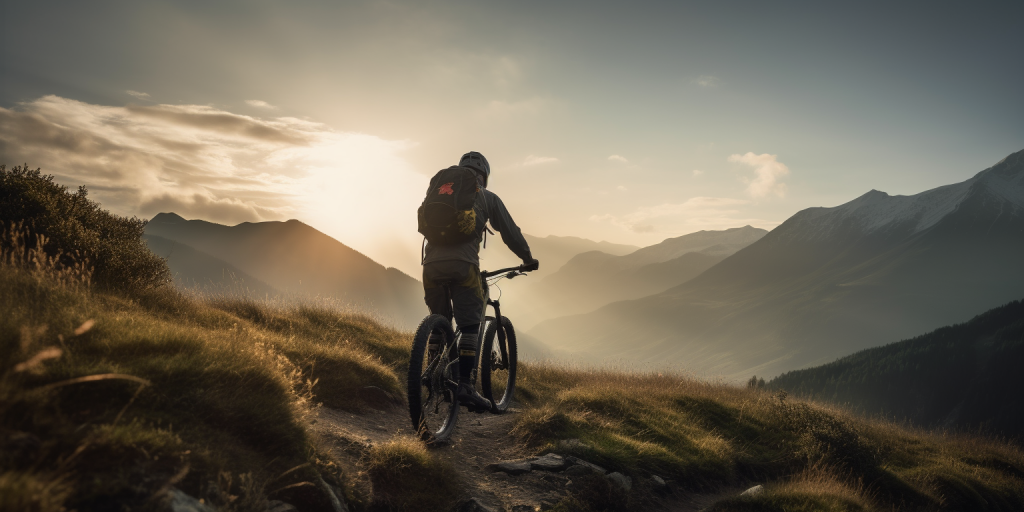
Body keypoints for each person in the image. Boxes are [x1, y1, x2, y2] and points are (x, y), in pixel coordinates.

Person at [421, 151, 538, 412]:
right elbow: (510, 232)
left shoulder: (441, 190)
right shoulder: (486, 197)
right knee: (470, 324)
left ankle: (430, 372)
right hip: (464, 267)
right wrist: (527, 258)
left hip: (430, 267)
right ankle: (465, 385)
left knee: (440, 320)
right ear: (483, 176)